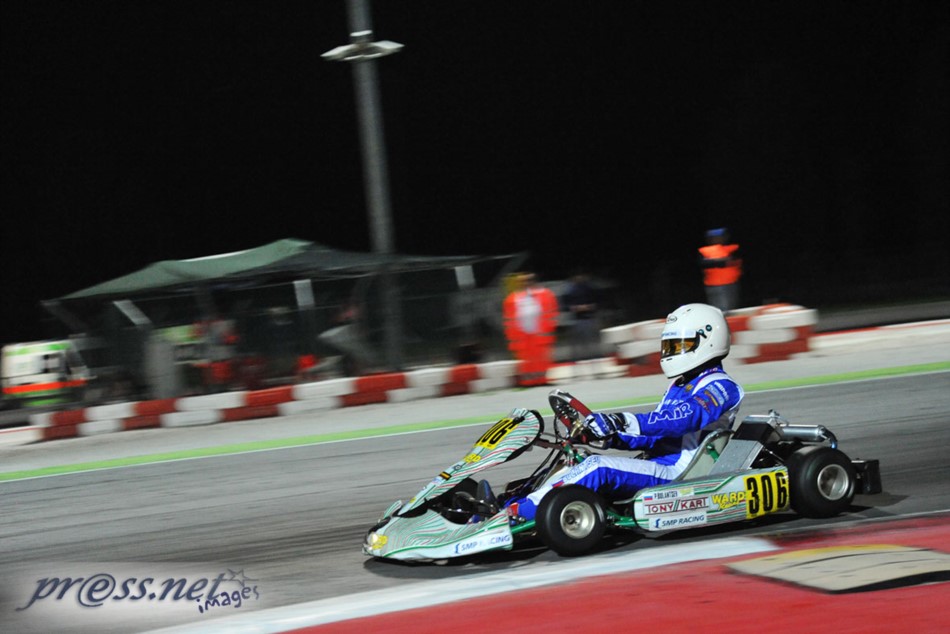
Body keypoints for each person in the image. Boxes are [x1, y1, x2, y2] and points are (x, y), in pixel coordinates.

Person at [505, 303, 744, 522]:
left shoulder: (722, 386)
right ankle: (508, 504)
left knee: (597, 467)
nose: (672, 351)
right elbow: (655, 437)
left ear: (708, 340)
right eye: (670, 346)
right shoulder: (680, 385)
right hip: (656, 463)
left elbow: (684, 419)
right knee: (577, 460)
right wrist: (609, 436)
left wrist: (621, 420)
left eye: (680, 345)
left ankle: (519, 514)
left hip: (678, 473)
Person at [502, 272, 559, 386]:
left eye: (528, 280)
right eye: (522, 281)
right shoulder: (512, 299)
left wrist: (550, 328)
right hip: (522, 336)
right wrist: (512, 337)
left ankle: (542, 379)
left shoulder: (545, 294)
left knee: (542, 358)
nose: (525, 283)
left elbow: (552, 313)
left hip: (540, 334)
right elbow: (508, 320)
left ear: (534, 281)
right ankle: (529, 380)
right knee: (526, 359)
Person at [698, 228, 742, 313]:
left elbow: (734, 261)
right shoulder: (704, 251)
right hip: (713, 285)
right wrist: (721, 261)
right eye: (714, 237)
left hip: (731, 283)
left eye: (720, 237)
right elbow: (704, 264)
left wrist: (716, 261)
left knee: (731, 309)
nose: (717, 239)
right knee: (720, 310)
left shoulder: (732, 248)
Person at [562, 272, 601, 361]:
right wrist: (575, 308)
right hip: (576, 319)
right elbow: (565, 306)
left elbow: (599, 301)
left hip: (590, 317)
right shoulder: (569, 290)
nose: (579, 278)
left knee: (592, 340)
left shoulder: (590, 288)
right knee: (579, 341)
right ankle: (579, 357)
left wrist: (590, 307)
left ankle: (594, 356)